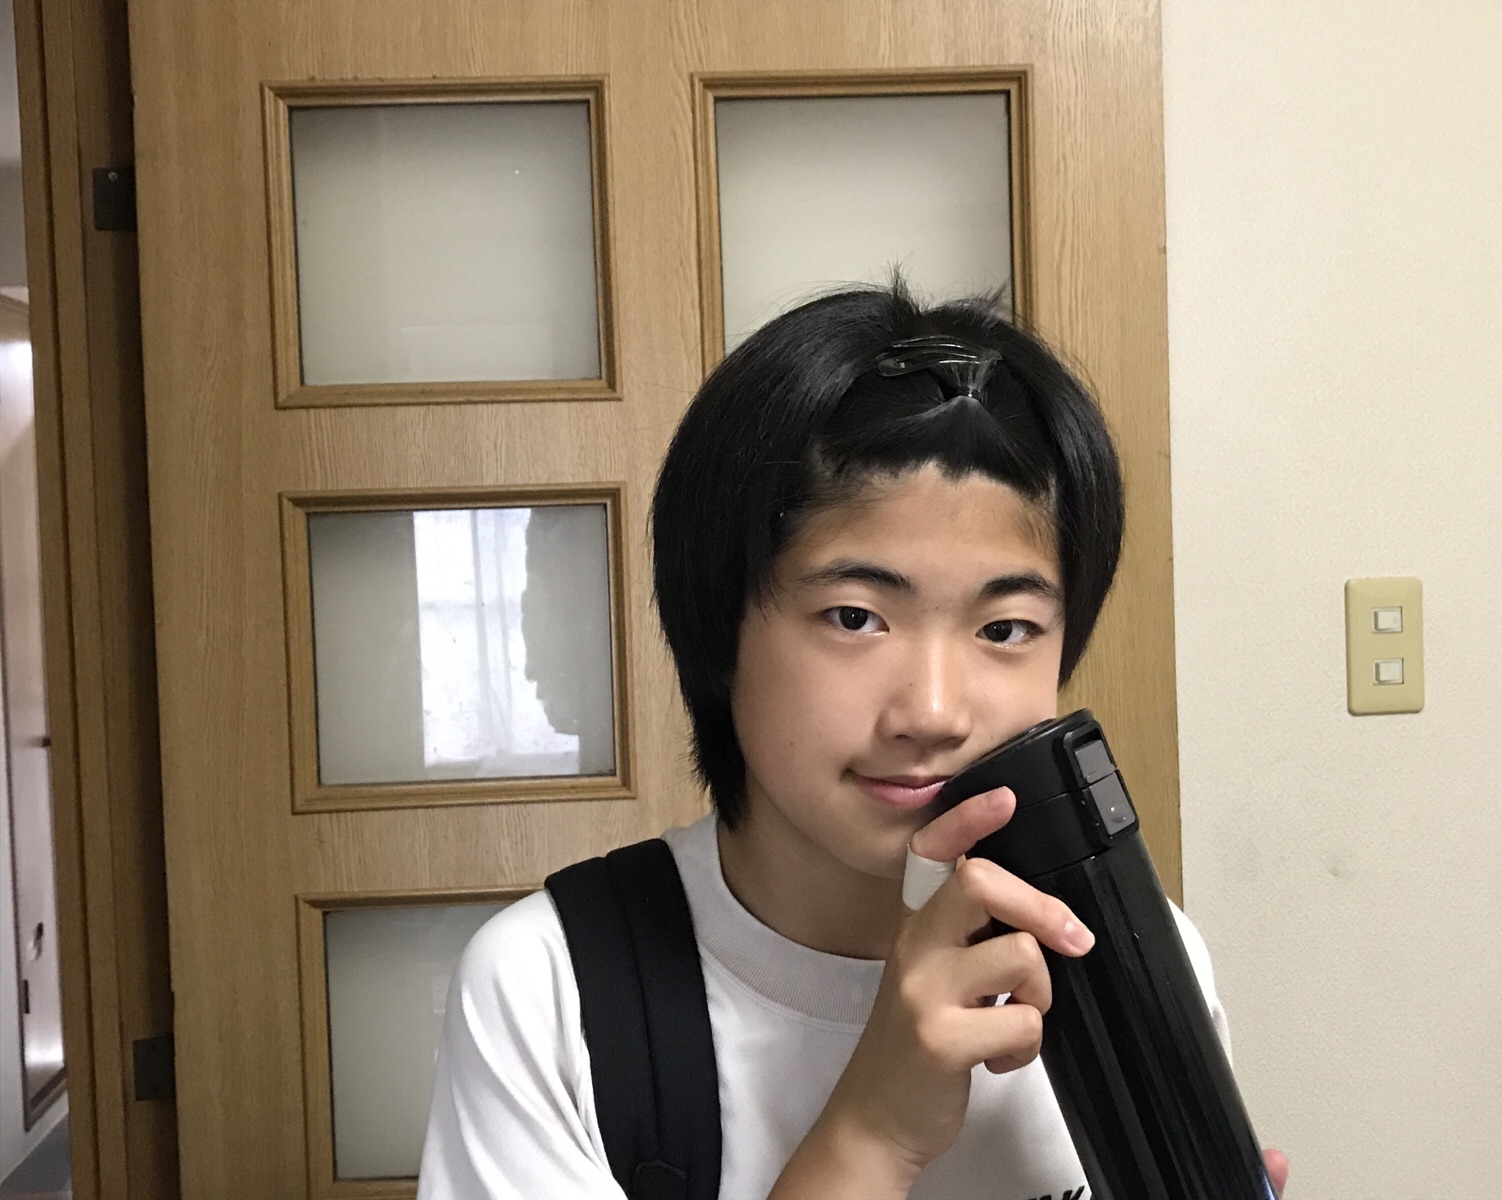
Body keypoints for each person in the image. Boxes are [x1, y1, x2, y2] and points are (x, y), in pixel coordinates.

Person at [418, 283, 1289, 1198]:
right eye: (855, 616)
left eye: (1005, 629)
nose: (934, 711)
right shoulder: (549, 993)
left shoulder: (1123, 958)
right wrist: (872, 1134)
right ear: (719, 631)